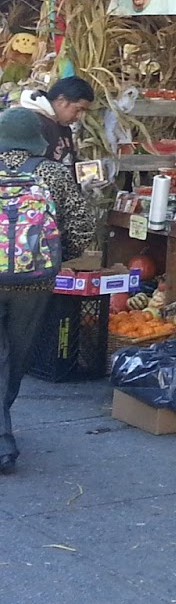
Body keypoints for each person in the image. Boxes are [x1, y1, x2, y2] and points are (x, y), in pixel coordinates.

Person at [0, 107, 94, 473]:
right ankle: (3, 437)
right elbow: (81, 228)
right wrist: (52, 259)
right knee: (16, 358)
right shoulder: (51, 172)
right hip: (34, 281)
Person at [19, 76, 94, 166]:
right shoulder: (33, 125)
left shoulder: (64, 127)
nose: (79, 116)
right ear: (61, 100)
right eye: (78, 109)